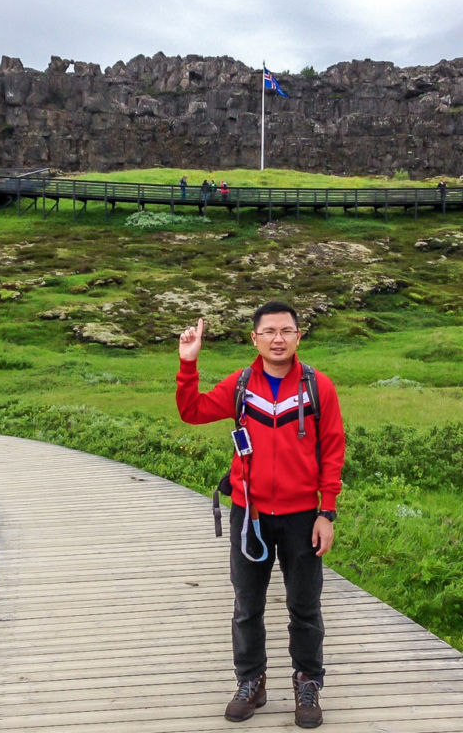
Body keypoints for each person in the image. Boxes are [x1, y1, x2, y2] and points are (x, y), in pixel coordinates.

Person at [176, 301, 345, 728]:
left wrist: (327, 513)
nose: (278, 338)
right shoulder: (241, 384)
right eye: (268, 331)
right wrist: (188, 363)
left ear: (298, 336)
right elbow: (191, 411)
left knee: (304, 606)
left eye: (286, 330)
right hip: (248, 514)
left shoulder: (318, 386)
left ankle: (308, 683)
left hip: (303, 517)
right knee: (246, 605)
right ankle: (251, 681)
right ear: (254, 338)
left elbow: (332, 451)